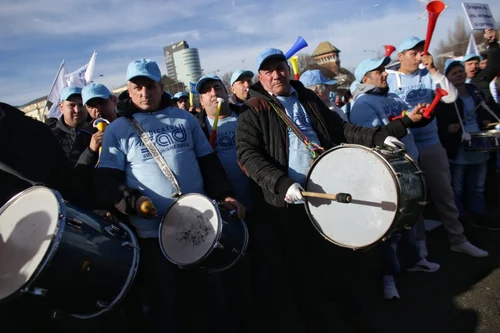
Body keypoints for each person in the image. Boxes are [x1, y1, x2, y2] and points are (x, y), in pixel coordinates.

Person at [236, 48, 410, 332]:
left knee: (338, 260)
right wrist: (281, 184)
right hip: (290, 203)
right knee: (304, 269)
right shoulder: (253, 110)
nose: (276, 74)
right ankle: (318, 321)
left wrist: (383, 137)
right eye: (268, 71)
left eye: (280, 67)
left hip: (331, 195)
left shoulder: (307, 97)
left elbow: (342, 130)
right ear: (260, 77)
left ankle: (349, 314)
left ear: (289, 70)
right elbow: (248, 156)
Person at [94, 58, 244, 333]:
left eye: (150, 86)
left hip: (200, 225)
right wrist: (134, 203)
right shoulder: (118, 129)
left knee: (211, 301)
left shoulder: (185, 119)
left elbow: (208, 163)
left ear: (161, 87)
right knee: (165, 306)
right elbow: (107, 181)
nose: (144, 93)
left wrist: (225, 195)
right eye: (137, 87)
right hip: (153, 236)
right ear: (128, 89)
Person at [387, 36, 488, 258]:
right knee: (415, 200)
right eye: (412, 53)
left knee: (445, 195)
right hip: (405, 149)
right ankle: (420, 245)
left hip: (432, 144)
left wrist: (433, 69)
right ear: (400, 56)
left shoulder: (429, 74)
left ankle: (458, 239)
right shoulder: (390, 80)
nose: (418, 56)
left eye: (420, 52)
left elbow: (451, 97)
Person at [350, 56, 440, 300]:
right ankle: (388, 277)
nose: (386, 74)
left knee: (410, 219)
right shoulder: (362, 104)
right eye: (379, 71)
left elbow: (403, 124)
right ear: (365, 79)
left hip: (410, 169)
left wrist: (417, 116)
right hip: (389, 175)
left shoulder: (390, 97)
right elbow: (371, 138)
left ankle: (412, 261)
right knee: (391, 230)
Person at [194, 74, 256, 331]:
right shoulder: (196, 128)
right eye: (206, 91)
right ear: (200, 100)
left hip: (257, 204)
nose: (213, 93)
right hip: (225, 213)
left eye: (216, 87)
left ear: (226, 91)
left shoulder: (246, 117)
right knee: (234, 273)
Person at [436, 59, 500, 230]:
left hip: (479, 144)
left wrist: (486, 121)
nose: (458, 75)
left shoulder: (474, 91)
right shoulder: (444, 97)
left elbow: (485, 111)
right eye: (454, 73)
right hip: (458, 147)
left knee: (478, 185)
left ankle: (479, 215)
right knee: (456, 187)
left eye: (460, 72)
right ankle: (461, 219)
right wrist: (447, 127)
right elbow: (438, 122)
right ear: (447, 78)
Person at [51, 86, 102, 167]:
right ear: (61, 108)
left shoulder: (99, 128)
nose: (77, 110)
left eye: (81, 105)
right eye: (71, 105)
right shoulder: (52, 138)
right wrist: (91, 150)